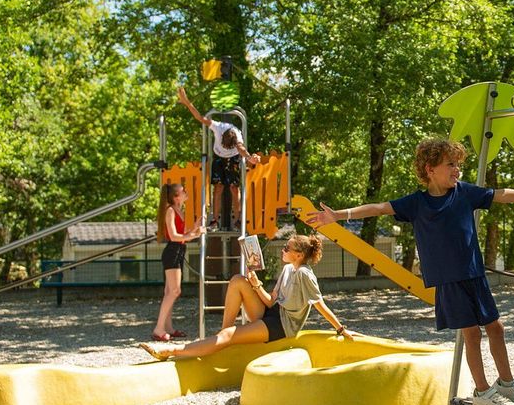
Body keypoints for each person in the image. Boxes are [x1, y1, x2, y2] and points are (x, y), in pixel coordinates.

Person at [302, 137, 514, 405]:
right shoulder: (416, 203)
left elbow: (499, 194)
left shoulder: (465, 192)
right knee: (471, 333)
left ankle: (506, 384)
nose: (457, 170)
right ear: (430, 169)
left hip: (474, 274)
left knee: (496, 327)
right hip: (449, 278)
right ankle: (483, 391)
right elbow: (378, 208)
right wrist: (340, 214)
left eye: (458, 164)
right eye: (451, 164)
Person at [141, 233, 355, 360]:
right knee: (237, 281)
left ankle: (172, 351)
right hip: (273, 312)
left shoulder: (305, 275)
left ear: (298, 255)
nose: (283, 250)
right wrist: (256, 284)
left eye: (286, 248)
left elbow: (320, 305)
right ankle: (222, 336)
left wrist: (341, 329)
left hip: (282, 325)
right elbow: (271, 301)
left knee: (230, 335)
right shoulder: (288, 269)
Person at [177, 85, 261, 229]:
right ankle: (215, 220)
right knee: (218, 188)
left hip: (233, 159)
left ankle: (238, 219)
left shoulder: (237, 136)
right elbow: (199, 117)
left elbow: (241, 149)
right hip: (218, 157)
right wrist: (187, 102)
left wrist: (249, 158)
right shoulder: (218, 127)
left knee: (234, 188)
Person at [152, 183, 205, 341]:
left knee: (170, 292)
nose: (186, 193)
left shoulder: (177, 210)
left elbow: (182, 235)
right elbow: (174, 236)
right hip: (172, 251)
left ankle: (167, 327)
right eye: (184, 191)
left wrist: (194, 230)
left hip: (178, 250)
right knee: (174, 291)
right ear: (176, 196)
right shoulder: (170, 210)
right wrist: (193, 235)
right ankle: (159, 328)